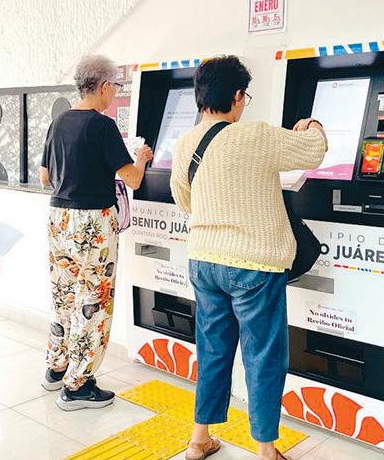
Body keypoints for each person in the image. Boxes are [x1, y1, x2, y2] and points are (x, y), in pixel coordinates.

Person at [170, 56, 327, 460]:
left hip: (204, 261)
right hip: (254, 265)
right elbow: (314, 151)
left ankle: (199, 440)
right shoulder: (255, 135)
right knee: (263, 357)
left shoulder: (186, 142)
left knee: (212, 350)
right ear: (237, 96)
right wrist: (312, 124)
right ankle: (265, 450)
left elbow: (184, 199)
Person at [39, 54, 153, 410]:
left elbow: (45, 177)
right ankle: (78, 385)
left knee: (64, 296)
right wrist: (142, 158)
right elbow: (132, 179)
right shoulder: (102, 126)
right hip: (93, 223)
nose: (115, 92)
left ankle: (57, 367)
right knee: (94, 301)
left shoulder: (59, 121)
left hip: (59, 217)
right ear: (103, 87)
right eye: (115, 86)